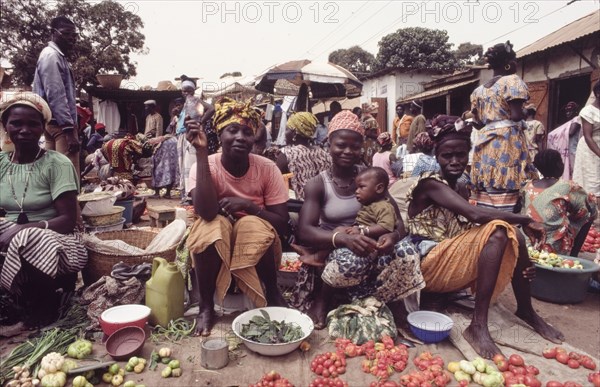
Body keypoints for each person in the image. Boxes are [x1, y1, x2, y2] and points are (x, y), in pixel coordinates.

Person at [406, 115, 564, 358]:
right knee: (501, 228)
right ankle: (478, 325)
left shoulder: (460, 186)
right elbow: (475, 214)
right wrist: (524, 219)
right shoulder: (430, 184)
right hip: (428, 267)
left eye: (461, 154)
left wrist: (518, 259)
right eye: (447, 156)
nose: (455, 161)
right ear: (436, 157)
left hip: (450, 263)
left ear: (468, 153)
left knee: (513, 236)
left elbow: (471, 229)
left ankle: (526, 310)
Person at [290, 110, 424, 329]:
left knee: (407, 251)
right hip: (337, 248)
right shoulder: (318, 183)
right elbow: (304, 230)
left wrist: (393, 235)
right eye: (341, 145)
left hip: (374, 243)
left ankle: (385, 301)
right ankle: (323, 299)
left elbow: (398, 221)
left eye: (355, 146)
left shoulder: (371, 177)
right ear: (329, 144)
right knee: (351, 259)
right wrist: (342, 239)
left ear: (362, 147)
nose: (347, 151)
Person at [185, 98, 289, 336]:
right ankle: (206, 306)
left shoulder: (267, 168)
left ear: (254, 138)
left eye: (247, 132)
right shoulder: (203, 165)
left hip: (254, 245)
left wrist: (248, 207)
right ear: (220, 135)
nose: (241, 137)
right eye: (232, 130)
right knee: (214, 225)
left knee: (252, 224)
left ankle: (272, 292)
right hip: (217, 243)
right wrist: (201, 153)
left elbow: (282, 223)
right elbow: (206, 212)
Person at [0, 93, 87, 326]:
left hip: (57, 239)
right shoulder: (1, 164)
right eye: (16, 123)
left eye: (33, 123)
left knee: (30, 237)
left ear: (42, 128)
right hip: (15, 233)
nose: (24, 130)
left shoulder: (56, 163)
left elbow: (68, 220)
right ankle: (12, 300)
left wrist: (21, 230)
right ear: (5, 126)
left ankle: (45, 308)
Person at [470, 41, 536, 212]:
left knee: (490, 183)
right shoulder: (512, 81)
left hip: (485, 142)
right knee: (508, 181)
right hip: (508, 141)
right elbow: (515, 115)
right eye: (515, 60)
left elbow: (477, 124)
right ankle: (508, 222)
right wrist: (525, 110)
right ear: (509, 64)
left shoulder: (479, 91)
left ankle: (490, 222)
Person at [297, 167, 397, 267]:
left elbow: (386, 226)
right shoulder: (371, 203)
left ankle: (318, 257)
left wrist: (363, 231)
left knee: (340, 232)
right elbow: (304, 229)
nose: (356, 191)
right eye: (356, 188)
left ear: (379, 188)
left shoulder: (384, 206)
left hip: (370, 239)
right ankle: (314, 252)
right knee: (339, 230)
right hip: (360, 232)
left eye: (361, 187)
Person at [521, 149, 597, 256]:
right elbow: (590, 207)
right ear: (557, 165)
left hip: (529, 243)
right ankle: (573, 255)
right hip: (553, 246)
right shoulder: (567, 186)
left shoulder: (527, 186)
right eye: (561, 162)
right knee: (589, 213)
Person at [33, 16, 80, 176]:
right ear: (54, 33)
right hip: (60, 126)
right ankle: (71, 202)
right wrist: (69, 131)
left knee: (53, 174)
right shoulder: (52, 56)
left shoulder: (54, 55)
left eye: (74, 35)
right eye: (67, 34)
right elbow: (56, 95)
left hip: (52, 123)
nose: (72, 39)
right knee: (67, 174)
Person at [176, 75, 216, 203]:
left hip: (192, 136)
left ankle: (192, 194)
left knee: (191, 164)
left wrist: (200, 122)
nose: (186, 93)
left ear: (193, 90)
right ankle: (187, 194)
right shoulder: (187, 103)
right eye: (184, 90)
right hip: (183, 136)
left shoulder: (196, 100)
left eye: (188, 90)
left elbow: (211, 109)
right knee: (184, 165)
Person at [275, 112, 332, 200]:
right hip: (325, 203)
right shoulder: (324, 154)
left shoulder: (286, 154)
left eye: (287, 129)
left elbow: (276, 185)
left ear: (294, 132)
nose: (285, 133)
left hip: (297, 207)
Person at [573, 80, 600, 200]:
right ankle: (592, 212)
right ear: (598, 93)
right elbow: (588, 136)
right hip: (591, 149)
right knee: (593, 180)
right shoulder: (588, 111)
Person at [547, 102, 582, 181]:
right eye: (566, 111)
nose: (568, 113)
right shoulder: (568, 123)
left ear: (576, 111)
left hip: (573, 150)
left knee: (573, 170)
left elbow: (571, 132)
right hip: (567, 150)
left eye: (570, 111)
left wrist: (555, 133)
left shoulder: (577, 119)